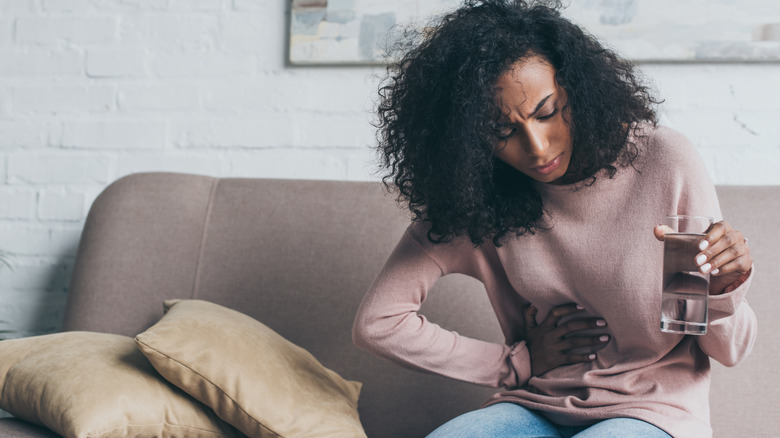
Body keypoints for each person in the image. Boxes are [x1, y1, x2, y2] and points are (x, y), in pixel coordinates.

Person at [351, 1, 757, 437]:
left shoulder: (664, 162)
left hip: (651, 409)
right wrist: (513, 364)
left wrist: (720, 291)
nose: (538, 148)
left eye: (547, 112)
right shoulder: (481, 199)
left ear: (576, 89)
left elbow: (731, 349)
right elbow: (379, 323)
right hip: (534, 405)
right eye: (501, 131)